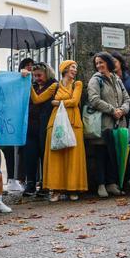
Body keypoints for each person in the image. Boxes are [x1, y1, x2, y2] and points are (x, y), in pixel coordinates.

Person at [36, 61, 87, 202]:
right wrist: (27, 83)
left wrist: (58, 103)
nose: (75, 70)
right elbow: (38, 99)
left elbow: (75, 101)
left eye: (76, 68)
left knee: (73, 156)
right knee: (55, 156)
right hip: (56, 123)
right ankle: (56, 189)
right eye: (72, 67)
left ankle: (72, 189)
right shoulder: (55, 86)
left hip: (73, 122)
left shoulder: (77, 84)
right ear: (64, 69)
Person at [86, 53, 130, 198]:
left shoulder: (117, 79)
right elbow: (93, 99)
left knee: (114, 154)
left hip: (119, 123)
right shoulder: (95, 80)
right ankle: (101, 184)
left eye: (101, 62)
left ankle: (112, 183)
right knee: (101, 154)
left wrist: (122, 110)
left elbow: (127, 98)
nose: (99, 65)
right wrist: (112, 110)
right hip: (103, 124)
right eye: (97, 63)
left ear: (108, 63)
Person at [23, 63, 56, 197]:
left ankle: (45, 184)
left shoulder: (54, 85)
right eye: (34, 76)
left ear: (47, 73)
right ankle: (30, 183)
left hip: (46, 124)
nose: (37, 78)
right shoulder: (35, 86)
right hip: (31, 125)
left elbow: (37, 100)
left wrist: (28, 84)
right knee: (30, 155)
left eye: (39, 75)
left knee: (45, 155)